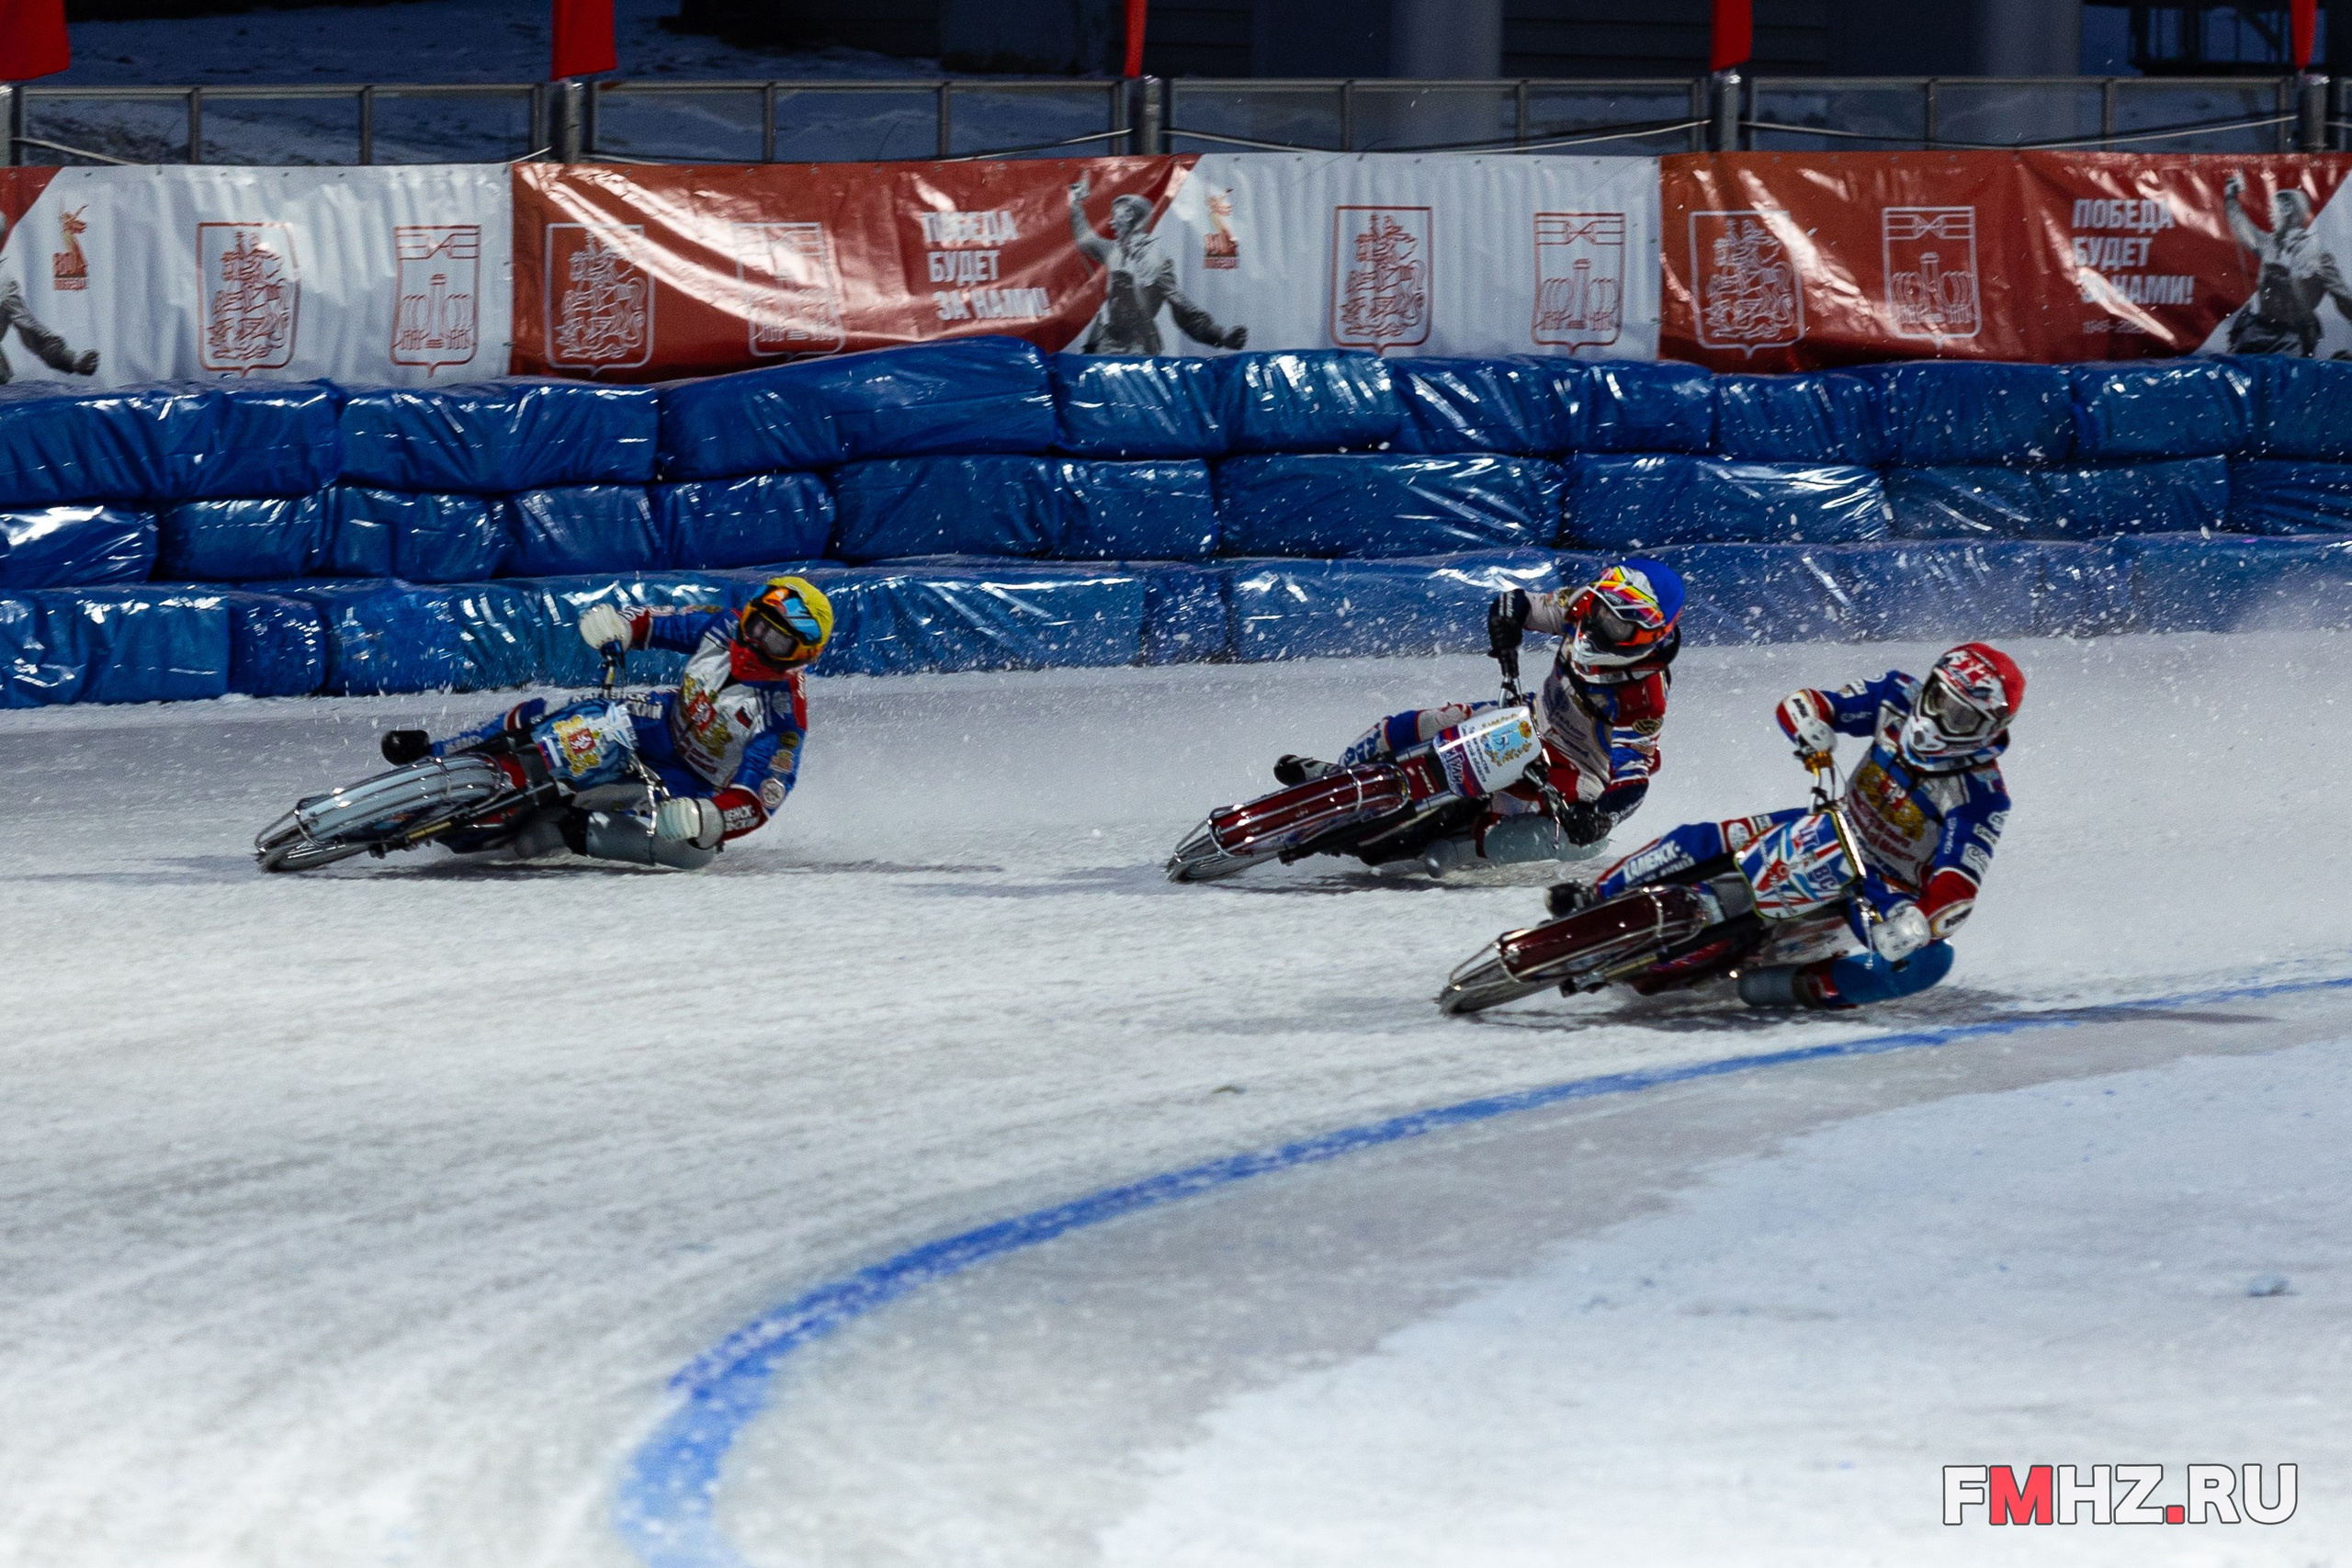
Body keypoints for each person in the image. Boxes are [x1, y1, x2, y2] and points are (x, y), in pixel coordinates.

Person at [1562, 642, 2022, 1011]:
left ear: (1987, 728)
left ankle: (1788, 987)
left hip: (1882, 883)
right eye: (1938, 698)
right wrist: (1814, 732)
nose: (1939, 718)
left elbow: (1958, 881)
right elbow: (1807, 703)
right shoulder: (1896, 696)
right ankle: (1596, 896)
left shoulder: (1981, 795)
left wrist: (1919, 923)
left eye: (1960, 716)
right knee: (1700, 838)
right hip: (1830, 820)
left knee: (1924, 964)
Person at [377, 576, 829, 870]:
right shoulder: (720, 627)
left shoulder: (784, 719)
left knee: (693, 853)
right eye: (756, 626)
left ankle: (570, 830)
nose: (756, 642)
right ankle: (444, 752)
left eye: (777, 640)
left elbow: (759, 799)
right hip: (656, 723)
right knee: (574, 722)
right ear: (746, 616)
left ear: (801, 656)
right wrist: (619, 628)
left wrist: (705, 815)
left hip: (693, 779)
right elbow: (653, 622)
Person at [1275, 558, 1684, 869]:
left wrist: (1600, 816)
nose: (1599, 624)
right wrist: (1506, 620)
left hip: (1581, 769)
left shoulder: (1645, 694)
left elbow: (1634, 777)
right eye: (1601, 610)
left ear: (1650, 633)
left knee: (1505, 821)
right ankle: (1343, 774)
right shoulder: (1584, 604)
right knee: (1418, 725)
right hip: (1527, 717)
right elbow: (1520, 602)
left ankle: (1453, 852)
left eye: (1617, 624)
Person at [1068, 174, 1248, 355]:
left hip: (1136, 350)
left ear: (1130, 215)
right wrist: (1076, 203)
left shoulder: (1155, 262)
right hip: (1105, 344)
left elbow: (1184, 312)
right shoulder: (1112, 250)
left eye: (1116, 216)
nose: (1112, 222)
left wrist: (1221, 335)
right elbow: (1085, 240)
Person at [2220, 174, 2352, 357]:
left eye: (2273, 210)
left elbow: (2346, 300)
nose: (2270, 215)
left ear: (2288, 209)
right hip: (2256, 332)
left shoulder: (2317, 256)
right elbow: (2242, 226)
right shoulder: (2268, 244)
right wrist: (2230, 198)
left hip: (2291, 339)